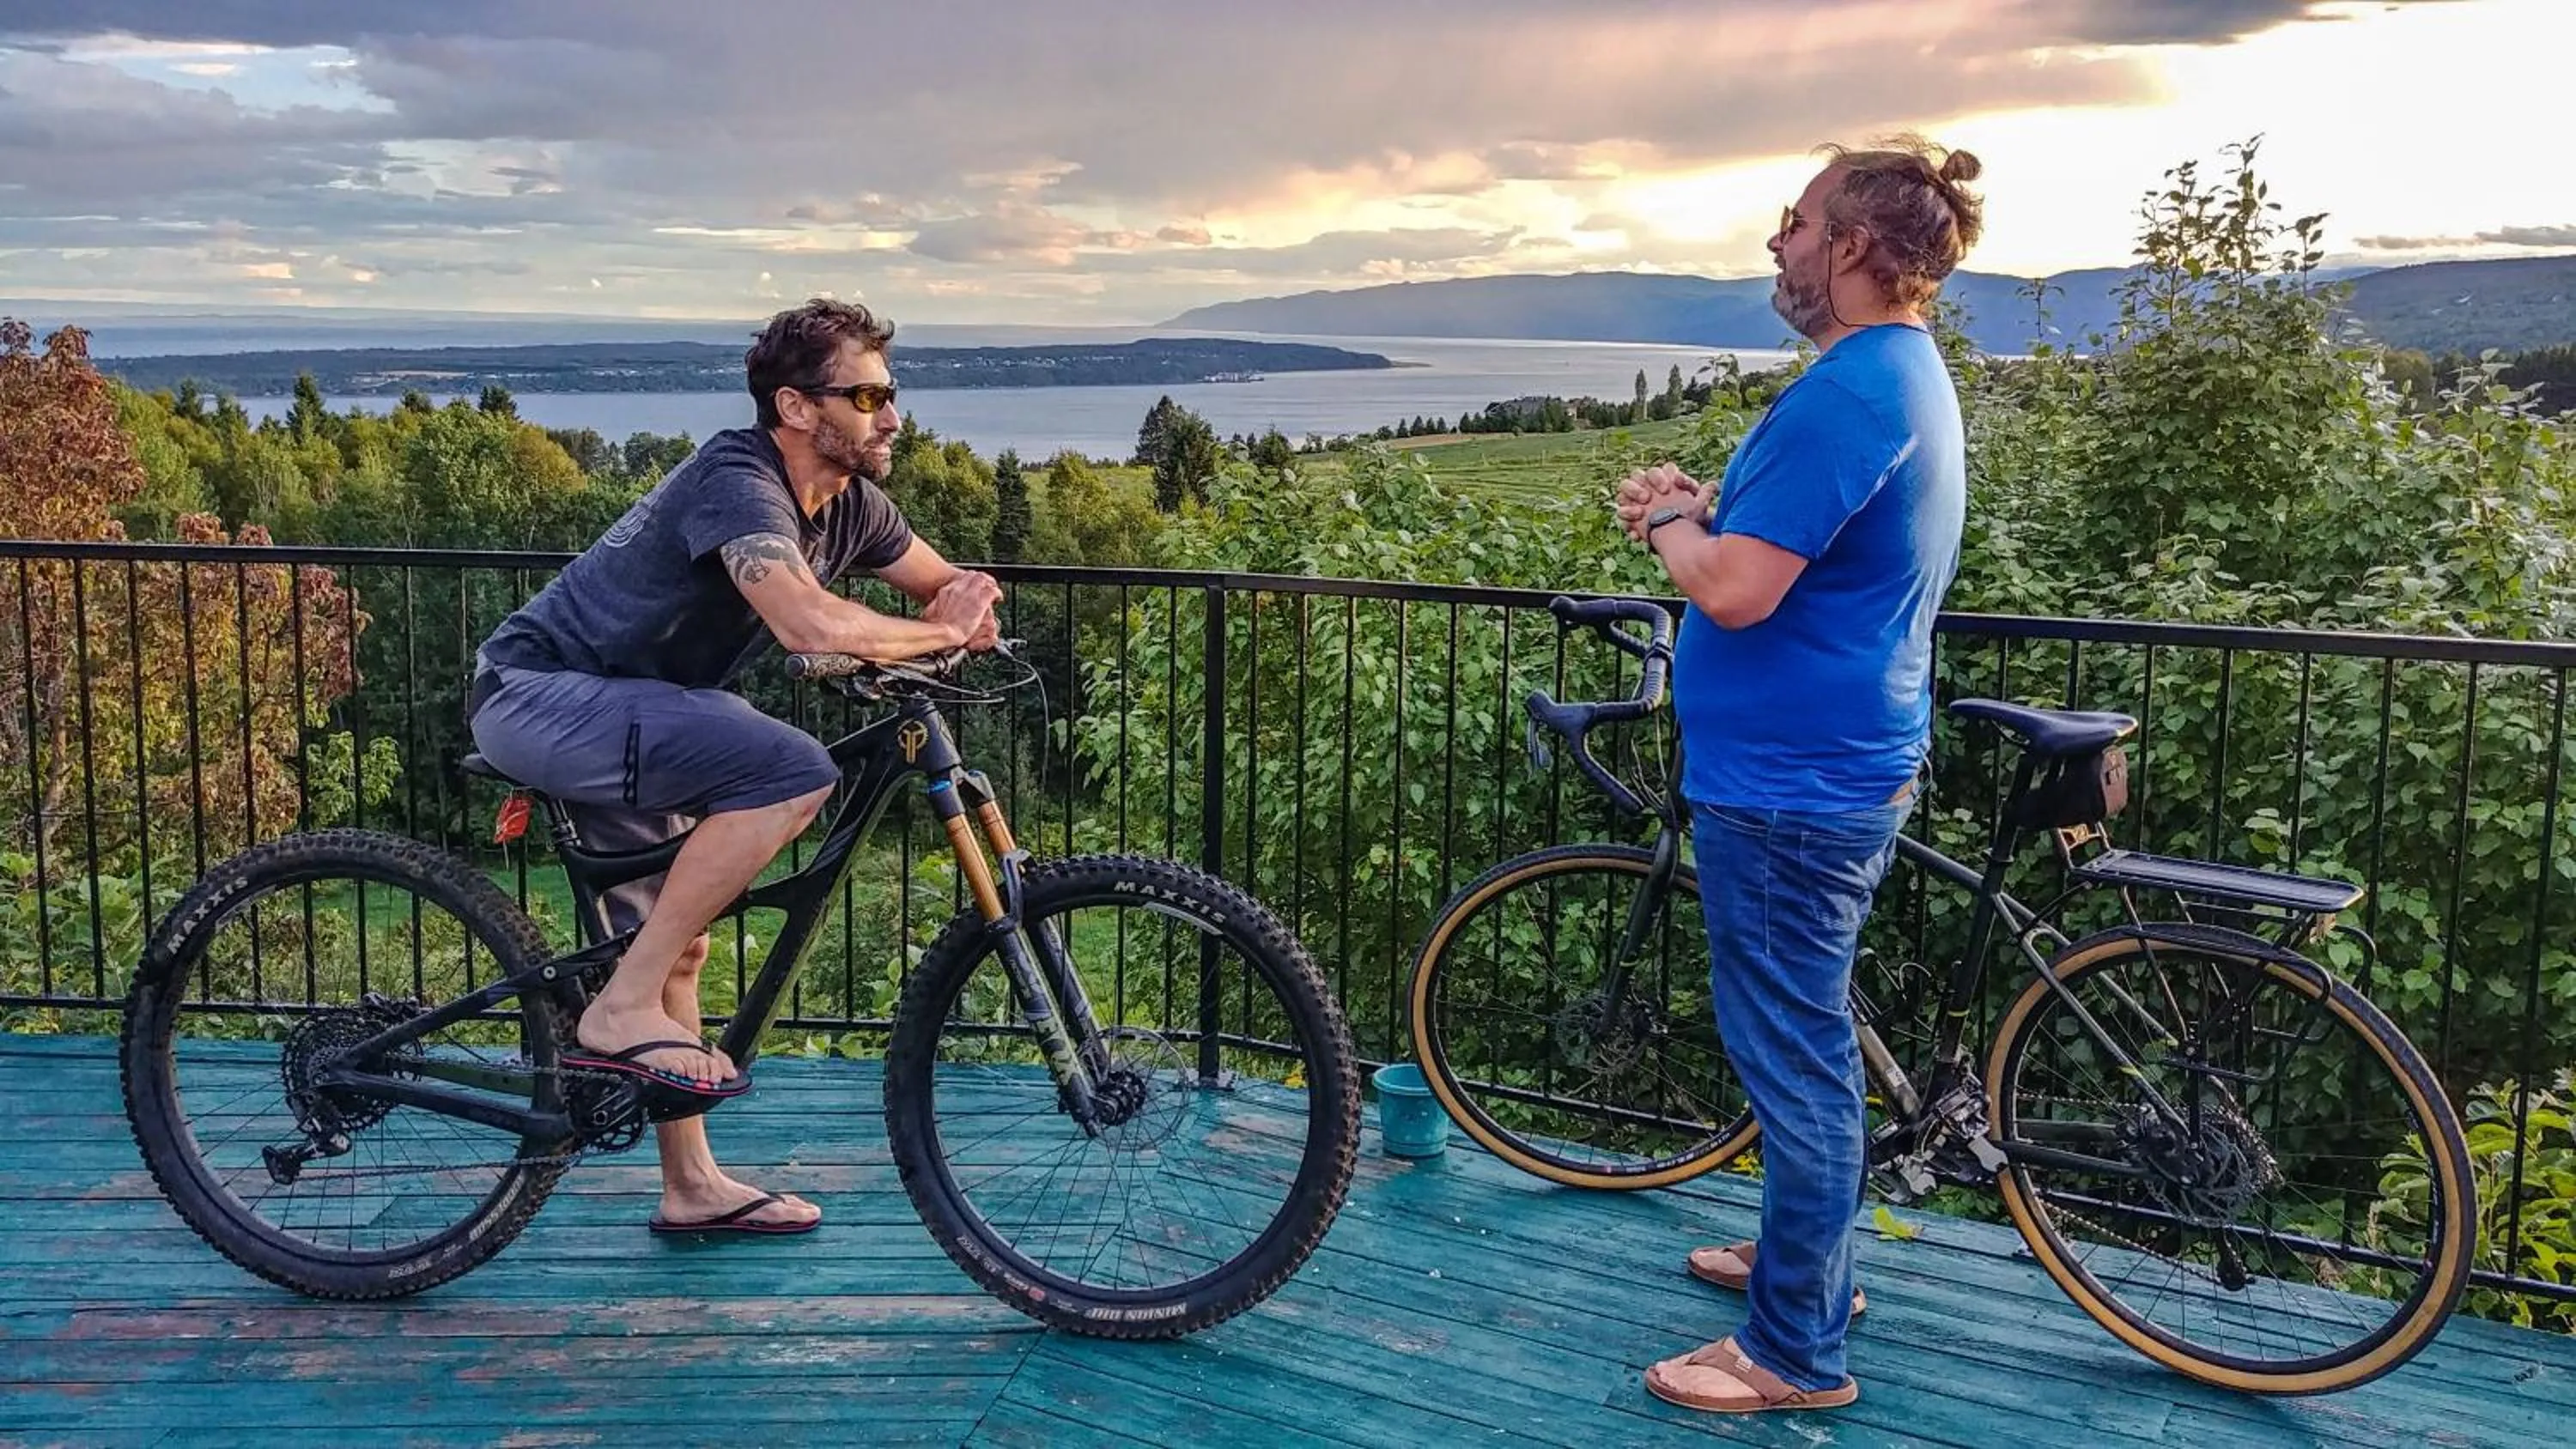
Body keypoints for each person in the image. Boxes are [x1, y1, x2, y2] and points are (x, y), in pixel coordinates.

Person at [468, 298, 1001, 1235]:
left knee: (682, 936)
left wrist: (961, 607)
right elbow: (804, 620)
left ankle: (691, 1186)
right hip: (538, 693)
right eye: (868, 393)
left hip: (640, 711)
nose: (893, 415)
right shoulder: (739, 480)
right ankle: (619, 1005)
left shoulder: (854, 508)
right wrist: (930, 630)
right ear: (797, 408)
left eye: (892, 390)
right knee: (792, 769)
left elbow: (949, 587)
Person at [1614, 136, 1984, 1414]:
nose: (1776, 239)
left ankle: (1792, 1352)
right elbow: (1795, 532)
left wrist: (1669, 523)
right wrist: (1701, 500)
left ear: (1858, 248)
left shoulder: (1853, 388)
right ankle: (1801, 1266)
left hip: (1792, 788)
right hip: (1829, 767)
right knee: (1801, 1043)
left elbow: (1740, 585)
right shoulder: (1891, 376)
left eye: (1797, 219)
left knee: (1798, 1061)